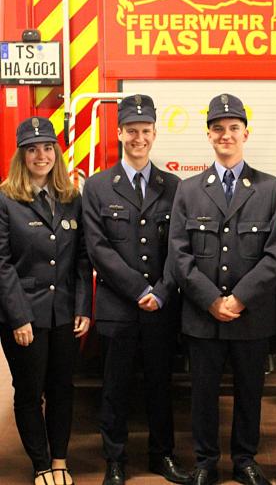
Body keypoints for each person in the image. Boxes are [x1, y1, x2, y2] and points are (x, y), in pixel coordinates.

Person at [169, 93, 276, 485]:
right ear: (208, 135)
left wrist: (238, 299)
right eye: (218, 128)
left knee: (249, 391)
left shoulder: (270, 188)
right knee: (202, 393)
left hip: (250, 314)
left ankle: (245, 460)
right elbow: (179, 254)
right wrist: (211, 300)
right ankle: (205, 462)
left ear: (246, 134)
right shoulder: (188, 189)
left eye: (233, 128)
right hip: (202, 315)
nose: (226, 135)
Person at [82, 94, 189, 485]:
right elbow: (98, 248)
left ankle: (163, 456)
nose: (138, 138)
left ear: (155, 133)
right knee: (115, 387)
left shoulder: (173, 186)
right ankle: (115, 460)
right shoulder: (97, 187)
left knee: (161, 384)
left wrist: (161, 291)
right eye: (131, 130)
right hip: (118, 307)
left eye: (145, 130)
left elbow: (180, 247)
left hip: (161, 306)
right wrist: (140, 290)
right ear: (119, 132)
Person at [0, 116, 92, 485]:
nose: (41, 155)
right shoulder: (6, 200)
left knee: (62, 389)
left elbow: (82, 259)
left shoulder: (71, 198)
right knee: (29, 391)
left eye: (47, 148)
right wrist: (19, 317)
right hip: (24, 316)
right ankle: (40, 465)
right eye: (32, 149)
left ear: (56, 152)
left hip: (64, 313)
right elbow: (2, 264)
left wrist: (83, 306)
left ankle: (59, 460)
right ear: (21, 156)